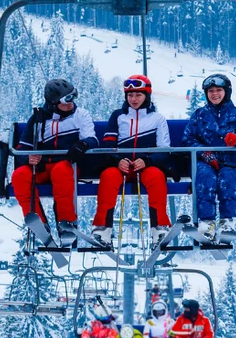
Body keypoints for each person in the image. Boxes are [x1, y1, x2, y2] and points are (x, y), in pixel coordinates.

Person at [11, 78, 97, 240]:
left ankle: (66, 223)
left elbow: (91, 138)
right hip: (43, 167)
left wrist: (82, 145)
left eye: (72, 99)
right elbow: (23, 149)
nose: (70, 104)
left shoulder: (80, 115)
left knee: (61, 171)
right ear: (53, 103)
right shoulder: (38, 120)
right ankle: (38, 222)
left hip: (67, 165)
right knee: (19, 175)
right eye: (66, 101)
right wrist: (29, 158)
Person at [91, 75, 171, 244]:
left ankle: (160, 228)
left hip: (146, 166)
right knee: (108, 177)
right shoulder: (118, 116)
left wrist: (148, 161)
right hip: (121, 166)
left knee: (157, 177)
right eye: (130, 95)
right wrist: (117, 160)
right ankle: (102, 228)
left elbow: (164, 150)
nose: (133, 99)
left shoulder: (157, 119)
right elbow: (108, 144)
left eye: (138, 95)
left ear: (146, 96)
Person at [182, 74, 236, 239]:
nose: (214, 94)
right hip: (204, 161)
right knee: (204, 176)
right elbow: (188, 138)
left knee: (228, 177)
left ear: (226, 92)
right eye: (211, 91)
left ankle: (226, 221)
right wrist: (204, 153)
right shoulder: (200, 115)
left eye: (218, 90)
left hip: (228, 161)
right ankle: (206, 222)